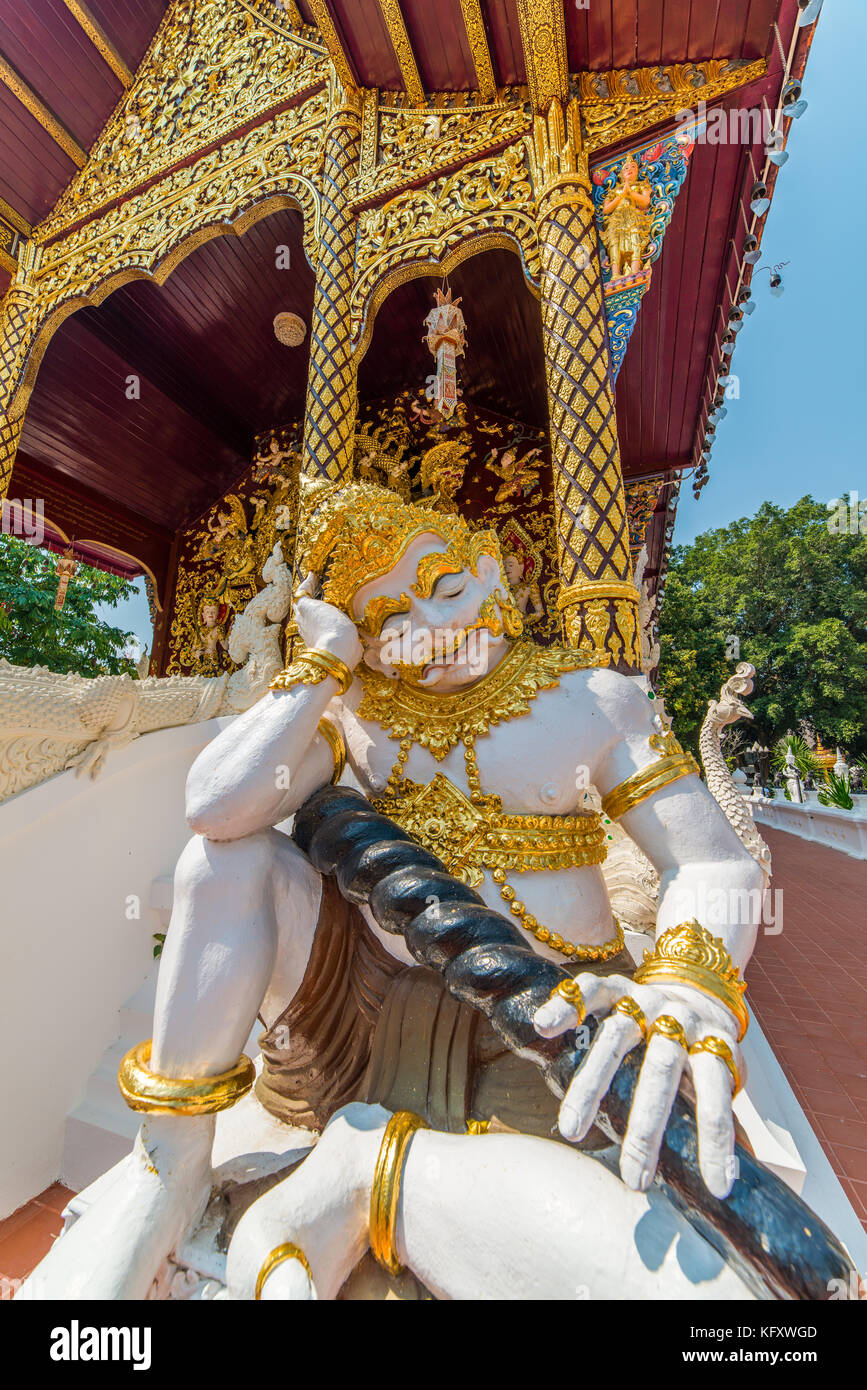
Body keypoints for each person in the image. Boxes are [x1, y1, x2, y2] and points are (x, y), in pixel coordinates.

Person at [22, 480, 764, 1299]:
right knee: (224, 862)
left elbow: (712, 864)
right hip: (362, 1010)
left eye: (447, 588)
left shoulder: (589, 699)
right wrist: (322, 664)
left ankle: (373, 1176)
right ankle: (169, 1165)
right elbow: (215, 806)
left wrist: (688, 987)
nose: (436, 629)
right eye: (392, 624)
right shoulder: (354, 713)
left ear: (490, 571)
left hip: (541, 1012)